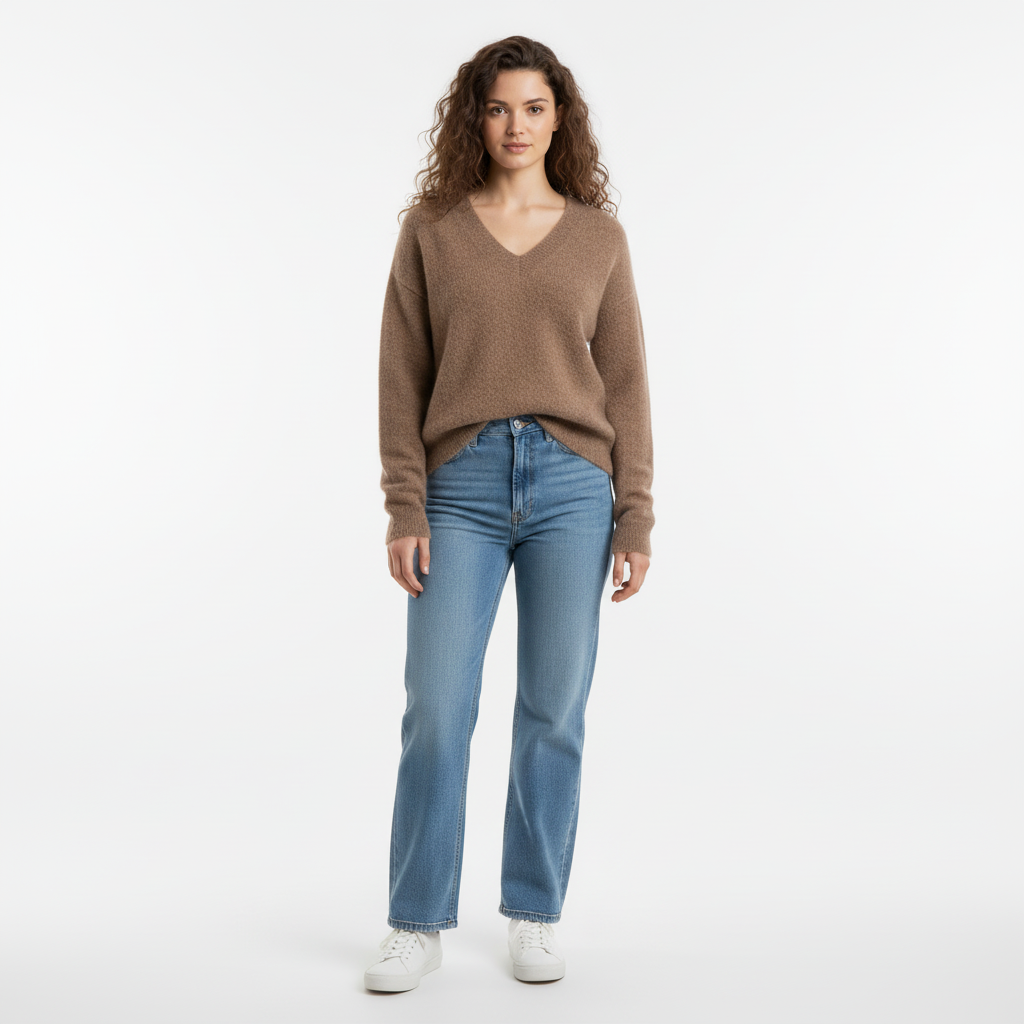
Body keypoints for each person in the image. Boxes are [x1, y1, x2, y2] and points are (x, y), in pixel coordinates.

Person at [365, 35, 655, 993]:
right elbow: (401, 372)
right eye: (497, 109)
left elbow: (626, 383)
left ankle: (534, 911)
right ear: (475, 119)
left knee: (553, 709)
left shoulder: (598, 238)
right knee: (437, 709)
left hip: (574, 487)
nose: (515, 126)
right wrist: (404, 502)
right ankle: (415, 921)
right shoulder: (434, 230)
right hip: (462, 485)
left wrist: (636, 517)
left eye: (533, 108)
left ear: (559, 117)